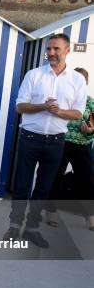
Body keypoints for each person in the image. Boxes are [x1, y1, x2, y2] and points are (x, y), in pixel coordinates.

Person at [4, 34, 88, 248]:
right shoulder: (34, 75)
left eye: (56, 49)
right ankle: (14, 226)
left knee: (43, 188)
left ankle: (32, 229)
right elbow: (20, 106)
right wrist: (43, 106)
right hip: (30, 139)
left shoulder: (77, 80)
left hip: (56, 142)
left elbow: (78, 113)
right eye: (49, 49)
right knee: (22, 185)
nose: (50, 53)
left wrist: (57, 111)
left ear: (67, 50)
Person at [47, 67, 94, 231]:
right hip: (62, 142)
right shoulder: (63, 100)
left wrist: (90, 130)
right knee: (56, 176)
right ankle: (51, 211)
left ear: (86, 82)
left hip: (83, 145)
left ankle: (90, 216)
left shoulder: (90, 102)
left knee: (87, 180)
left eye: (82, 80)